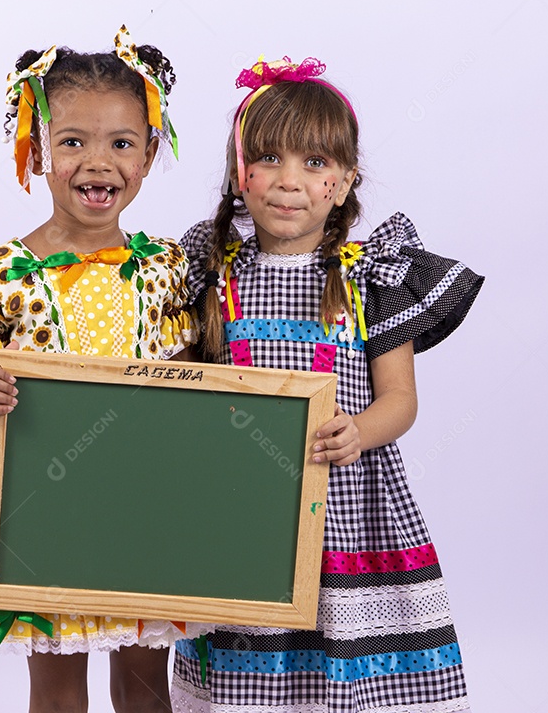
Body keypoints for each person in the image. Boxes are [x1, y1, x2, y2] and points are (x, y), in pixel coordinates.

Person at [171, 57, 484, 713]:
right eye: (270, 159)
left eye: (315, 164)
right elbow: (180, 380)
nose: (291, 181)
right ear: (239, 173)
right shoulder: (214, 272)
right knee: (248, 654)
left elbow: (400, 400)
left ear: (344, 182)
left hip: (345, 504)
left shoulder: (368, 277)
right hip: (241, 505)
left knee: (338, 663)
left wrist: (358, 432)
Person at [0, 28, 206, 713]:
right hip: (43, 502)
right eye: (73, 141)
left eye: (121, 143)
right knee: (56, 687)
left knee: (143, 685)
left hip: (147, 503)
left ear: (149, 153)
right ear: (37, 148)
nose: (97, 163)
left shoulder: (166, 269)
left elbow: (195, 371)